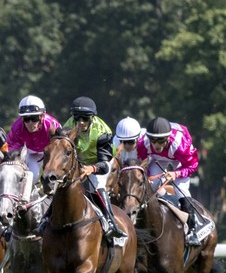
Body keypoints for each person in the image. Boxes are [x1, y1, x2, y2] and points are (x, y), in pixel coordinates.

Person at [137, 117, 211, 245]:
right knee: (151, 185)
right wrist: (147, 177)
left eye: (160, 141)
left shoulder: (180, 144)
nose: (156, 145)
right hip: (158, 159)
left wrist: (176, 173)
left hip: (180, 159)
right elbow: (141, 166)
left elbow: (192, 165)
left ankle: (193, 229)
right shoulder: (143, 143)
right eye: (153, 140)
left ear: (167, 138)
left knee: (179, 188)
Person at [61, 96, 126, 239]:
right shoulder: (68, 125)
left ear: (92, 117)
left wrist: (92, 168)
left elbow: (104, 166)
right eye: (77, 118)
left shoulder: (103, 132)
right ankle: (45, 219)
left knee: (97, 185)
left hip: (99, 162)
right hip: (78, 162)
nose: (81, 122)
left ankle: (110, 222)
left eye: (85, 118)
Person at [6, 95, 61, 184]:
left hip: (50, 153)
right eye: (26, 119)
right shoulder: (17, 127)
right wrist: (15, 158)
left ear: (42, 116)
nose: (30, 123)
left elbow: (61, 145)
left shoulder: (52, 125)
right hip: (31, 153)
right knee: (32, 178)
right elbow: (11, 146)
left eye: (34, 118)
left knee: (52, 178)